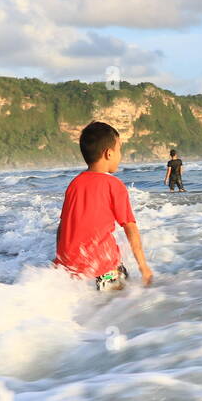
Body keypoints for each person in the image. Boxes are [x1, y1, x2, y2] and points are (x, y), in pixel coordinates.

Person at [54, 121, 154, 291]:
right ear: (109, 153)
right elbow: (130, 228)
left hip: (69, 270)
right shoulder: (114, 185)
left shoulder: (74, 184)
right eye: (120, 150)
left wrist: (62, 259)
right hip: (104, 270)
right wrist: (143, 266)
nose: (120, 155)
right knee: (125, 302)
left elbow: (62, 227)